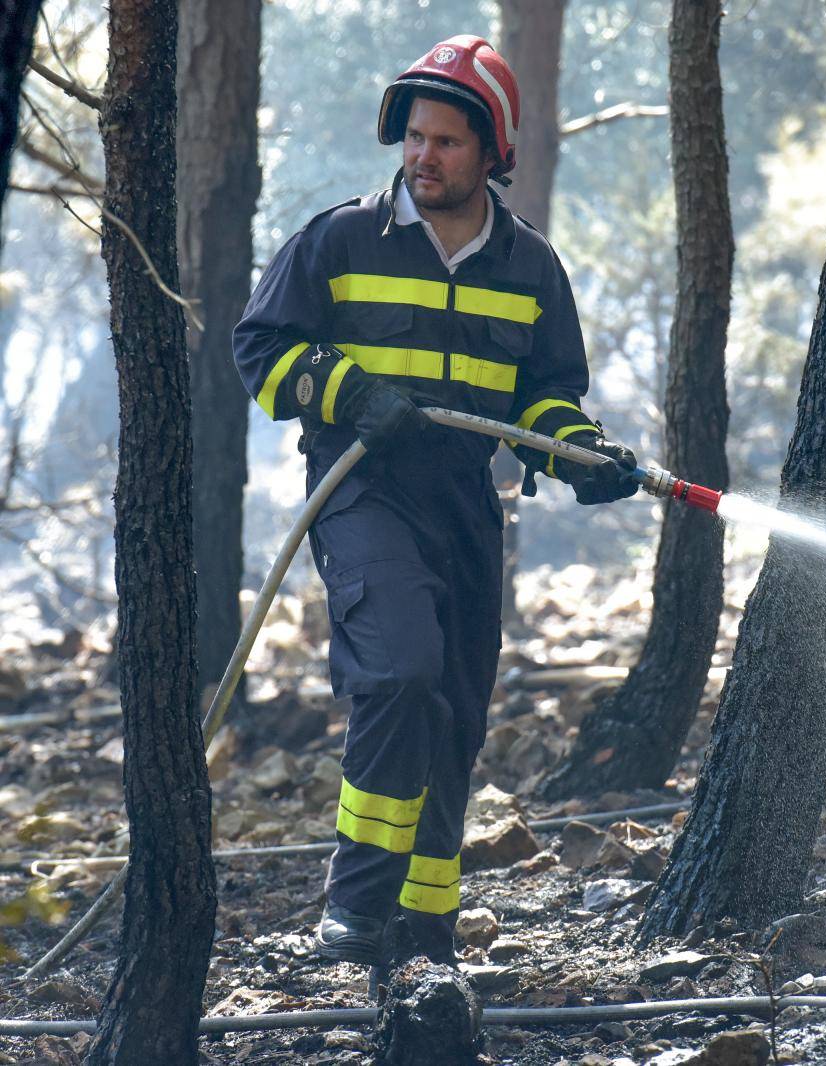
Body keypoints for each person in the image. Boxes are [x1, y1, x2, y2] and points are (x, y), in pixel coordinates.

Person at [233, 34, 638, 986]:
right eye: (414, 136)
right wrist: (343, 389)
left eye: (448, 141)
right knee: (402, 672)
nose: (424, 156)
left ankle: (424, 929)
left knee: (454, 708)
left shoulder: (531, 268)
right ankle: (356, 906)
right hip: (361, 491)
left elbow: (543, 396)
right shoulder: (338, 239)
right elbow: (261, 353)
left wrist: (577, 453)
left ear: (492, 152)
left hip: (466, 503)